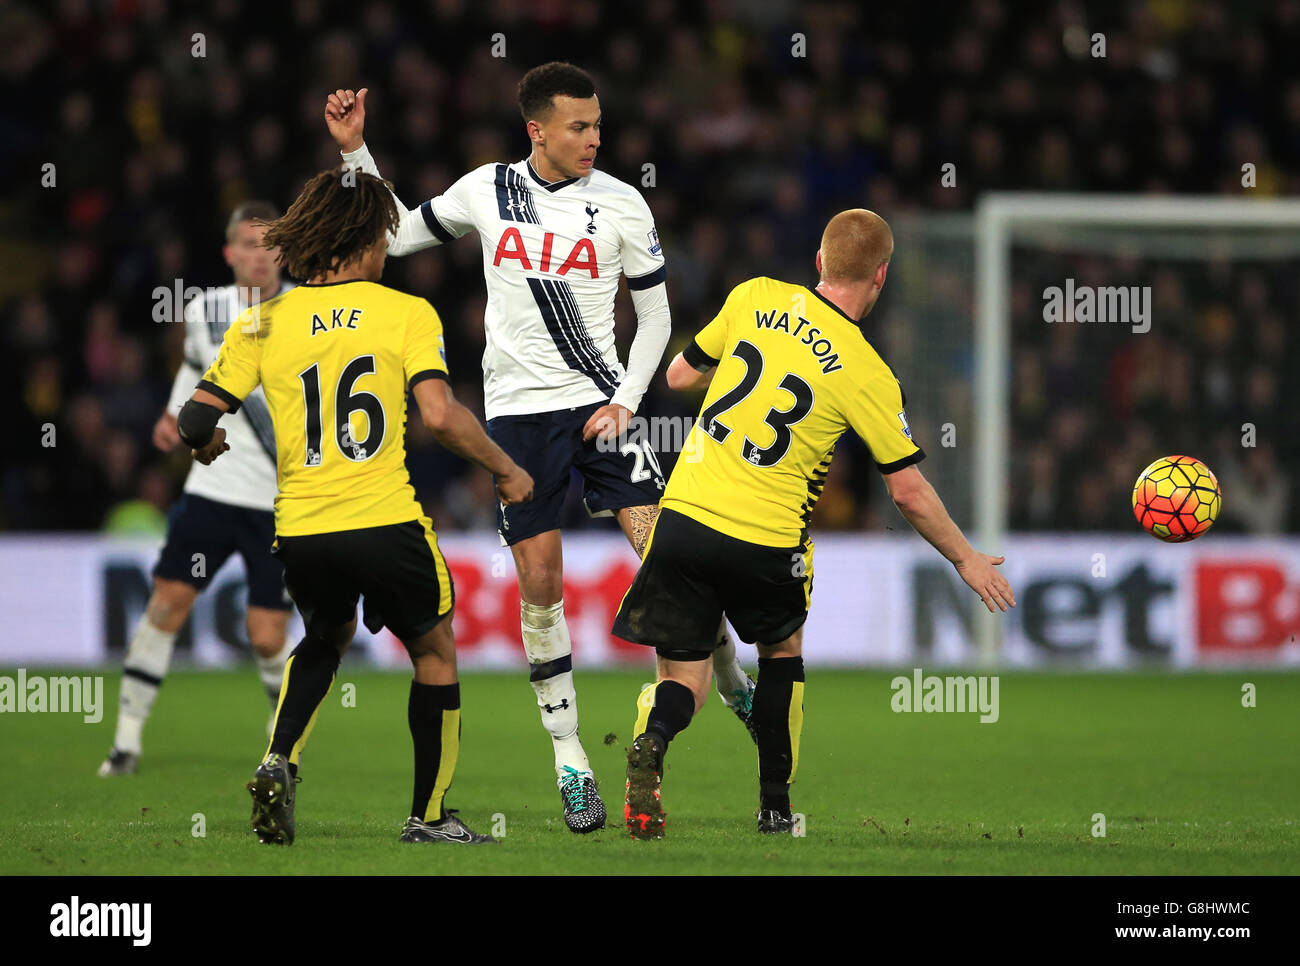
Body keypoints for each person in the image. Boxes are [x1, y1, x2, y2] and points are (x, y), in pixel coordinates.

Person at [323, 62, 755, 834]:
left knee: (667, 553)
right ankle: (571, 759)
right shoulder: (486, 189)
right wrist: (358, 153)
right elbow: (392, 232)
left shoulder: (623, 203)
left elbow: (656, 319)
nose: (594, 139)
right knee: (541, 580)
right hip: (518, 419)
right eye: (579, 127)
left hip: (600, 406)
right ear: (538, 131)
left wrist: (627, 398)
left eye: (598, 126)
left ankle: (729, 677)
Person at [613, 209, 1017, 839]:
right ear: (881, 277)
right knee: (780, 654)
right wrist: (964, 556)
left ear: (821, 262)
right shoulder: (869, 372)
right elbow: (907, 492)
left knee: (682, 677)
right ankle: (775, 808)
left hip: (686, 517)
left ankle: (654, 746)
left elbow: (679, 375)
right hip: (768, 539)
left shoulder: (755, 296)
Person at [177, 168, 533, 845]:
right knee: (434, 652)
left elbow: (195, 424)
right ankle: (428, 817)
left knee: (324, 638)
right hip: (385, 520)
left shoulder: (260, 323)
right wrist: (508, 470)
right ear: (368, 239)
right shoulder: (406, 313)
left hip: (304, 529)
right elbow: (441, 417)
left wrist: (209, 444)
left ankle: (278, 759)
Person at [99, 202, 295, 778]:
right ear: (229, 252)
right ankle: (125, 744)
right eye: (248, 245)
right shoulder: (205, 309)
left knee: (265, 637)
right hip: (211, 493)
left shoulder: (309, 313)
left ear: (283, 251)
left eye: (269, 245)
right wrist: (171, 413)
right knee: (166, 605)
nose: (259, 255)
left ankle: (280, 747)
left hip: (278, 504)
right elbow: (191, 370)